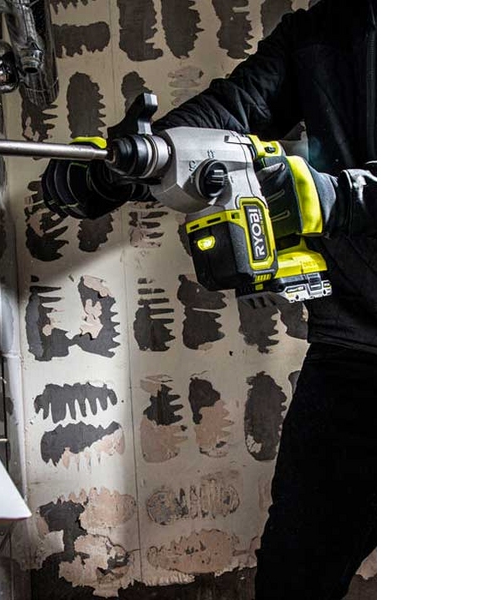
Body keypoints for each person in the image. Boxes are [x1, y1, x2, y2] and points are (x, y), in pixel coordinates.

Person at [43, 0, 376, 597]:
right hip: (354, 349)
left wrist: (339, 197)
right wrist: (133, 161)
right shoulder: (322, 30)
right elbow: (232, 111)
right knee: (294, 573)